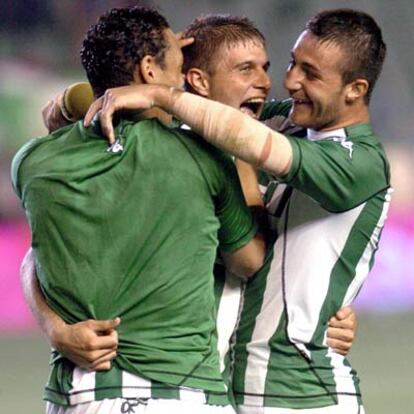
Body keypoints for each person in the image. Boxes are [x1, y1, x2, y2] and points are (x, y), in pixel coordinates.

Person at [86, 9, 391, 414]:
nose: (289, 81)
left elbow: (243, 135)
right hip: (228, 390)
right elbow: (216, 103)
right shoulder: (289, 119)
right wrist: (147, 64)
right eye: (292, 63)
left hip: (303, 395)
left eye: (311, 74)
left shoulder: (360, 162)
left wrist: (161, 92)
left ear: (355, 89)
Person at [12, 6, 267, 414]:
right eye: (179, 64)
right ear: (150, 71)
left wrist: (54, 328)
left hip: (77, 396)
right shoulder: (205, 157)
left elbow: (37, 257)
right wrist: (240, 146)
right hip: (178, 392)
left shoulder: (33, 163)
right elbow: (250, 259)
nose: (184, 77)